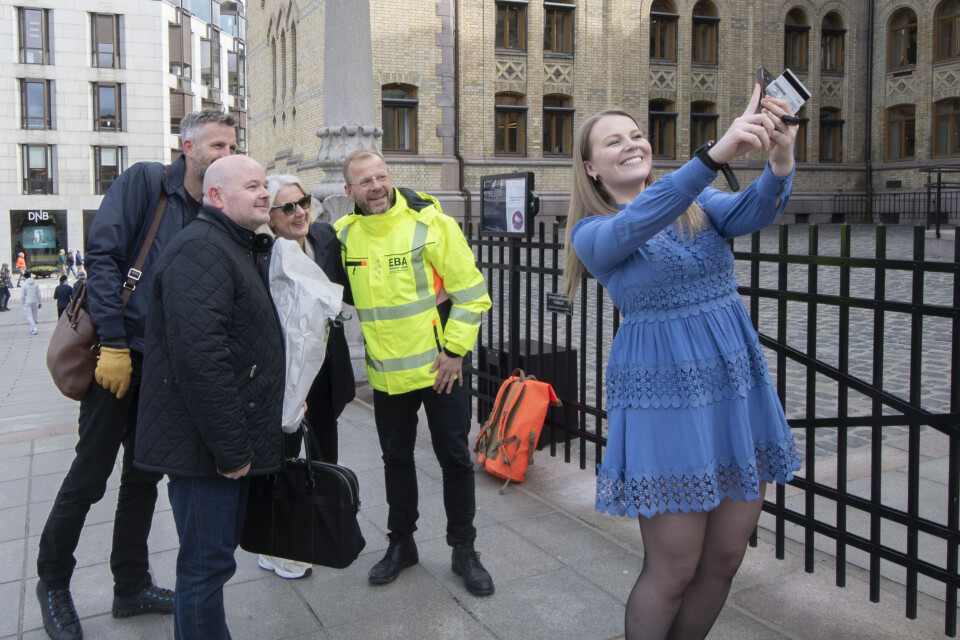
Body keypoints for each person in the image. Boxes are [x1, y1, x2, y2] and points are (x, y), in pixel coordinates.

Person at [564, 86, 803, 640]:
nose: (631, 144)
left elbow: (754, 210)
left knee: (723, 560)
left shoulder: (699, 206)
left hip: (733, 391)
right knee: (672, 570)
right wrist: (713, 157)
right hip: (664, 405)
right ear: (591, 168)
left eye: (637, 135)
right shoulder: (592, 233)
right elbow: (642, 218)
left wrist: (780, 155)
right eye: (613, 141)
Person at [35, 110, 237, 640]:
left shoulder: (215, 209)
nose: (226, 154)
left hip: (168, 369)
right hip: (117, 357)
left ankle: (130, 585)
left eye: (233, 146)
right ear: (188, 148)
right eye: (218, 145)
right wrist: (117, 344)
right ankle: (52, 582)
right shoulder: (147, 183)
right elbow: (103, 260)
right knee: (90, 475)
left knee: (143, 478)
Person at [135, 154, 283, 640]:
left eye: (265, 184)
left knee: (211, 565)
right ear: (216, 196)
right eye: (251, 186)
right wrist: (232, 449)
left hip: (219, 443)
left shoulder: (230, 244)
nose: (265, 193)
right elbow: (201, 361)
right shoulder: (201, 249)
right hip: (208, 451)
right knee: (204, 568)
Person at [334, 149, 495, 596]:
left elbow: (473, 294)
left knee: (455, 460)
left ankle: (464, 549)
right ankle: (401, 544)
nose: (376, 186)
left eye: (381, 176)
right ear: (350, 192)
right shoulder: (344, 237)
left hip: (442, 368)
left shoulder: (431, 225)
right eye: (364, 181)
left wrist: (454, 352)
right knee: (396, 461)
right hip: (388, 377)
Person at [254, 173, 356, 580]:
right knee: (284, 457)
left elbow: (345, 290)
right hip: (288, 372)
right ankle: (277, 545)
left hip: (327, 366)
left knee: (324, 448)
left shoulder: (325, 237)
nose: (300, 212)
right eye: (288, 207)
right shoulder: (265, 255)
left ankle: (314, 522)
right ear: (271, 218)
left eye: (304, 202)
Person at [21, 270, 41, 335]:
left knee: (29, 316)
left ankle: (34, 328)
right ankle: (33, 327)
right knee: (35, 315)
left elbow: (22, 295)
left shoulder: (24, 284)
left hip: (27, 302)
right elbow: (39, 294)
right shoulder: (35, 283)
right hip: (34, 301)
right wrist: (40, 302)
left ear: (25, 277)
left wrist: (22, 303)